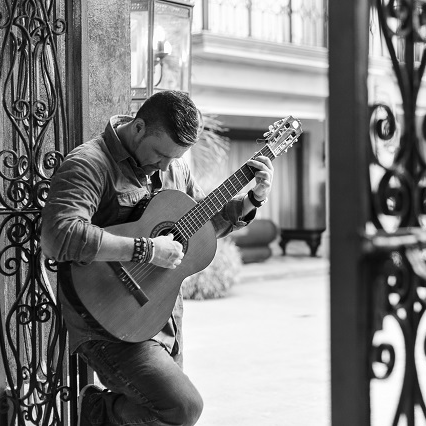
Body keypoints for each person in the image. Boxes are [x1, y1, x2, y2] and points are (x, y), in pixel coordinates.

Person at [40, 90, 273, 426]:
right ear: (137, 128)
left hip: (161, 315)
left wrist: (252, 199)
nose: (165, 165)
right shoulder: (89, 164)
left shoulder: (174, 168)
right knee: (183, 408)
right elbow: (59, 235)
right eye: (161, 154)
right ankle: (99, 411)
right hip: (104, 323)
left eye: (174, 158)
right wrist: (145, 249)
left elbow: (200, 228)